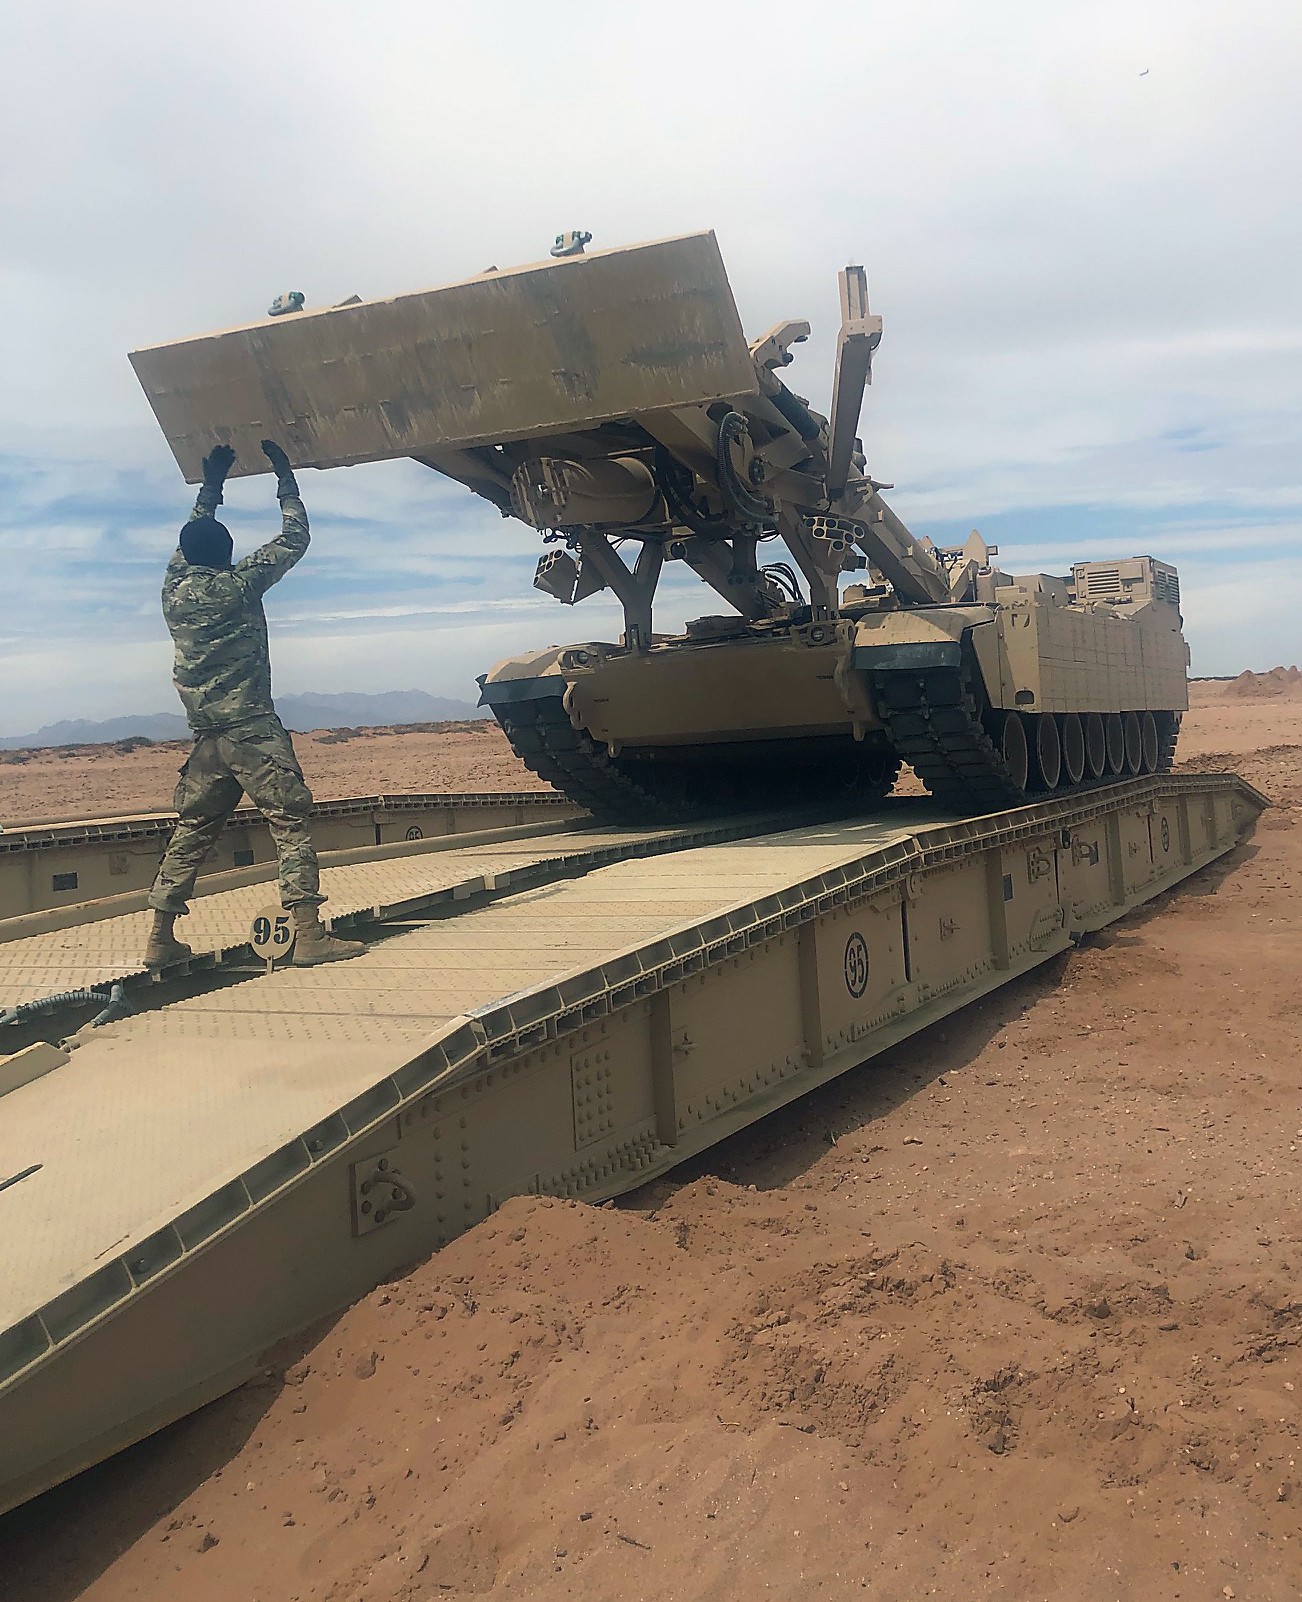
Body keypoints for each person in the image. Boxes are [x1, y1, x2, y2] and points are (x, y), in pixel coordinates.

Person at [144, 439, 365, 969]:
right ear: (226, 554)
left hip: (206, 741)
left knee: (192, 831)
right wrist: (283, 476)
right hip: (253, 732)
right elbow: (295, 536)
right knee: (290, 826)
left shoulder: (173, 589)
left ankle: (160, 937)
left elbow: (192, 537)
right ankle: (309, 937)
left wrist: (212, 485)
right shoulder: (239, 585)